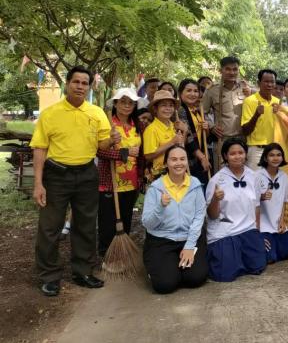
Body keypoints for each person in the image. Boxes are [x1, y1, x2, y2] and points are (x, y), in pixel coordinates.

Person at [30, 66, 119, 296]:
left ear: (89, 86)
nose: (80, 86)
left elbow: (101, 146)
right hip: (56, 175)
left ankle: (83, 271)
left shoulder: (96, 113)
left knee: (86, 225)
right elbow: (40, 148)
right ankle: (49, 276)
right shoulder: (51, 113)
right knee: (51, 226)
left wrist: (112, 140)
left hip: (87, 173)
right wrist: (38, 183)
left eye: (84, 83)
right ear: (67, 84)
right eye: (76, 82)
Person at [142, 145, 207, 294]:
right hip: (162, 240)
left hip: (188, 238)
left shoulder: (195, 185)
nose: (178, 163)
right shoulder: (156, 188)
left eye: (182, 159)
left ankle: (178, 266)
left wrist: (190, 246)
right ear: (166, 164)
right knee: (165, 285)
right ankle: (159, 267)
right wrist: (160, 206)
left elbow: (199, 217)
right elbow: (147, 223)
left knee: (195, 278)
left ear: (187, 162)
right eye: (173, 159)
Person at [205, 138, 267, 282]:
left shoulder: (254, 177)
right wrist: (215, 198)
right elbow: (212, 215)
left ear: (246, 154)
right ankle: (231, 256)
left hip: (247, 230)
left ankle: (240, 255)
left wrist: (258, 234)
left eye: (241, 152)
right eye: (232, 153)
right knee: (224, 274)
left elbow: (257, 207)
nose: (237, 156)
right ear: (225, 156)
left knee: (258, 266)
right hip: (225, 232)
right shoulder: (216, 180)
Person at [96, 88, 143, 257]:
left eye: (130, 102)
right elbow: (99, 152)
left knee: (126, 219)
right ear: (115, 103)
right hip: (110, 182)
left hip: (130, 181)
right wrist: (123, 152)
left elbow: (141, 154)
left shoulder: (137, 125)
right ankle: (105, 256)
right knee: (108, 223)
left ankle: (122, 254)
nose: (127, 106)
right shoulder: (107, 124)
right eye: (123, 101)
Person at [201, 56, 249, 169]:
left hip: (243, 138)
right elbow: (203, 112)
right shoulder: (212, 90)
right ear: (221, 70)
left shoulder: (246, 87)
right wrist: (212, 126)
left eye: (235, 69)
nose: (232, 72)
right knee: (222, 174)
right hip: (222, 139)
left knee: (244, 173)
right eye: (228, 69)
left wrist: (251, 93)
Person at [255, 143, 288, 263]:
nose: (275, 158)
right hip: (263, 226)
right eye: (272, 155)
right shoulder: (257, 176)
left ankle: (275, 248)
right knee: (270, 259)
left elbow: (284, 202)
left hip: (278, 225)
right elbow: (252, 203)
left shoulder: (284, 177)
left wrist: (282, 220)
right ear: (265, 158)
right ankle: (270, 250)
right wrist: (261, 197)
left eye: (279, 155)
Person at [241, 69, 281, 169]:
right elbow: (245, 131)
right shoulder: (249, 101)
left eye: (272, 82)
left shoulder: (277, 101)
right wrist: (256, 115)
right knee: (255, 182)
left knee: (271, 181)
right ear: (259, 83)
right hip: (256, 151)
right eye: (266, 81)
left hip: (273, 150)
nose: (269, 85)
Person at [143, 90, 186, 180]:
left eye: (171, 105)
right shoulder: (151, 129)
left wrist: (184, 131)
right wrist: (171, 142)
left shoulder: (173, 125)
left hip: (176, 171)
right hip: (159, 174)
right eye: (164, 105)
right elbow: (148, 156)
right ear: (155, 109)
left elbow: (180, 147)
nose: (168, 108)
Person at [177, 79, 212, 186]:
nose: (193, 94)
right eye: (188, 91)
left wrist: (206, 129)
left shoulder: (197, 111)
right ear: (180, 93)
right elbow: (188, 137)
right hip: (190, 159)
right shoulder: (180, 110)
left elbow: (204, 137)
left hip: (201, 156)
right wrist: (202, 158)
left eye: (195, 91)